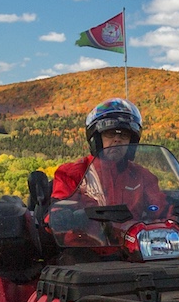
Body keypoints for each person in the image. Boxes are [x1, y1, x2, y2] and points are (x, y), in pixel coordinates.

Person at [49, 98, 166, 230]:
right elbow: (57, 211)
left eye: (124, 135)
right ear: (97, 139)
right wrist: (65, 216)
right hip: (85, 244)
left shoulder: (142, 176)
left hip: (131, 244)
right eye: (110, 134)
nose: (117, 140)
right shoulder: (72, 174)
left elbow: (162, 208)